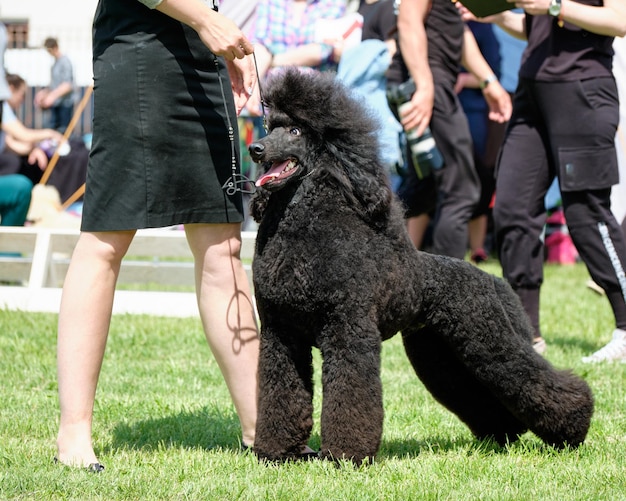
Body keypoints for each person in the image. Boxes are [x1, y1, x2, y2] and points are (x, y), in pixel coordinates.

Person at [54, 0, 261, 470]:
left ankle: (261, 429)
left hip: (201, 54)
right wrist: (208, 21)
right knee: (106, 239)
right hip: (139, 46)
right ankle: (73, 434)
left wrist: (225, 37)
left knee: (223, 245)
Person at [460, 0, 626, 360]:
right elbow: (535, 29)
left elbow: (619, 21)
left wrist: (554, 5)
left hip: (583, 90)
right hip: (531, 94)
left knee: (586, 215)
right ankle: (525, 333)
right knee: (511, 209)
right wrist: (501, 15)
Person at [386, 0, 512, 256]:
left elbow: (456, 28)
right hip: (428, 79)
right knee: (460, 189)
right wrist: (424, 86)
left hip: (433, 79)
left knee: (426, 187)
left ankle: (362, 230)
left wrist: (488, 82)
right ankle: (447, 291)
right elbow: (409, 20)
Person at [244, 0, 346, 115]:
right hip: (273, 100)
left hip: (314, 102)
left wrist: (273, 59)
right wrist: (254, 85)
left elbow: (323, 50)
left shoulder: (333, 3)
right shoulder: (270, 2)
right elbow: (259, 45)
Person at [456, 21, 503, 264]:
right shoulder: (436, 21)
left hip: (473, 112)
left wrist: (464, 79)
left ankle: (477, 248)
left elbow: (495, 72)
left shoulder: (483, 28)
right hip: (441, 110)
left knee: (478, 178)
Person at [33, 37, 75, 133]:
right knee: (52, 130)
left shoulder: (65, 62)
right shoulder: (55, 63)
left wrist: (52, 96)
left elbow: (67, 85)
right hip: (56, 103)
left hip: (65, 103)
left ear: (55, 47)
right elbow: (54, 85)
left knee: (63, 131)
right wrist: (43, 93)